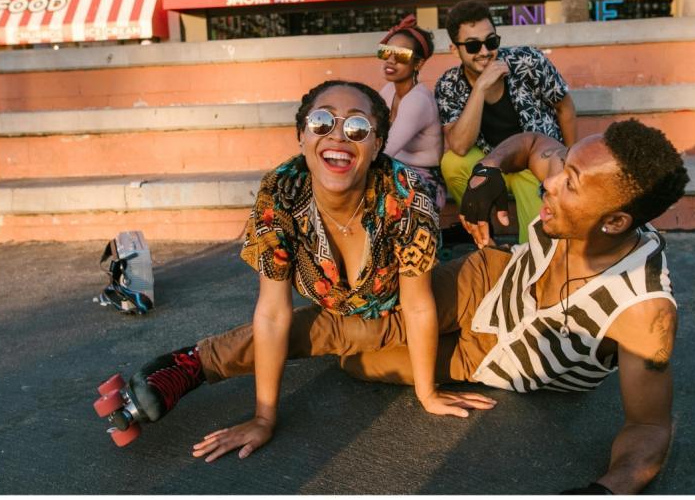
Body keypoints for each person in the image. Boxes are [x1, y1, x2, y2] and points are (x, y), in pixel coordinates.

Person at [117, 80, 495, 462]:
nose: (338, 137)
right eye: (321, 122)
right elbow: (272, 313)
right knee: (356, 358)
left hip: (424, 300)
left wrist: (427, 395)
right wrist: (264, 418)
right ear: (301, 135)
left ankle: (196, 362)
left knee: (360, 355)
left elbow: (417, 306)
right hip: (353, 325)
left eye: (357, 128)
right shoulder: (279, 194)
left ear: (378, 143)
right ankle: (193, 364)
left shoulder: (405, 194)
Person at [340, 119, 690, 494]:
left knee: (358, 361)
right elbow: (532, 143)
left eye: (569, 183)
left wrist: (606, 490)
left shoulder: (643, 309)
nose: (550, 182)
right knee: (353, 327)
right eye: (564, 167)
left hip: (491, 358)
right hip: (493, 280)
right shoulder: (578, 179)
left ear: (615, 221)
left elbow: (649, 427)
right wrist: (488, 169)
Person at [435, 0, 577, 243]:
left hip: (532, 163)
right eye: (472, 46)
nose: (484, 52)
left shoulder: (528, 62)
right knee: (452, 163)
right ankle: (484, 234)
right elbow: (459, 146)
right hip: (492, 162)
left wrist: (572, 161)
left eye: (491, 41)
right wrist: (479, 88)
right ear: (454, 50)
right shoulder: (449, 85)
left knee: (537, 241)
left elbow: (564, 107)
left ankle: (533, 262)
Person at [377, 14, 446, 210]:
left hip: (424, 183)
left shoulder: (418, 100)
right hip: (396, 172)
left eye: (400, 55)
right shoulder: (388, 90)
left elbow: (384, 149)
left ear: (418, 64)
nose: (390, 60)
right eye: (386, 52)